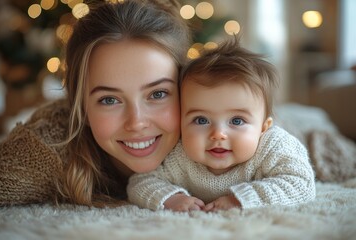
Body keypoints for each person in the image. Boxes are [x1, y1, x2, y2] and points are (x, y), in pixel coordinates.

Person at [0, 0, 191, 207]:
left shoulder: (218, 126)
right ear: (81, 106)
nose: (136, 122)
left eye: (158, 94)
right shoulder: (47, 148)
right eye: (109, 100)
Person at [127, 37, 316, 212]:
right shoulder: (179, 154)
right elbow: (140, 181)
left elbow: (301, 184)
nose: (218, 134)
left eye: (236, 121)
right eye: (201, 120)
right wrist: (172, 199)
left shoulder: (272, 145)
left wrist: (240, 200)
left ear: (263, 128)